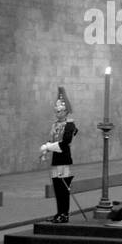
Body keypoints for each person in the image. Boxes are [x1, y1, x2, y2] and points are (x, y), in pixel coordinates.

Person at [41, 89, 77, 222]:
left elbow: (64, 143)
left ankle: (64, 214)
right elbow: (51, 140)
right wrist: (46, 150)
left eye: (60, 111)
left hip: (64, 158)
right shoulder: (55, 125)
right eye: (56, 111)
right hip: (56, 159)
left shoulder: (70, 125)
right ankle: (59, 212)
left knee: (63, 187)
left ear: (66, 111)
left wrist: (47, 147)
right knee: (57, 187)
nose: (58, 114)